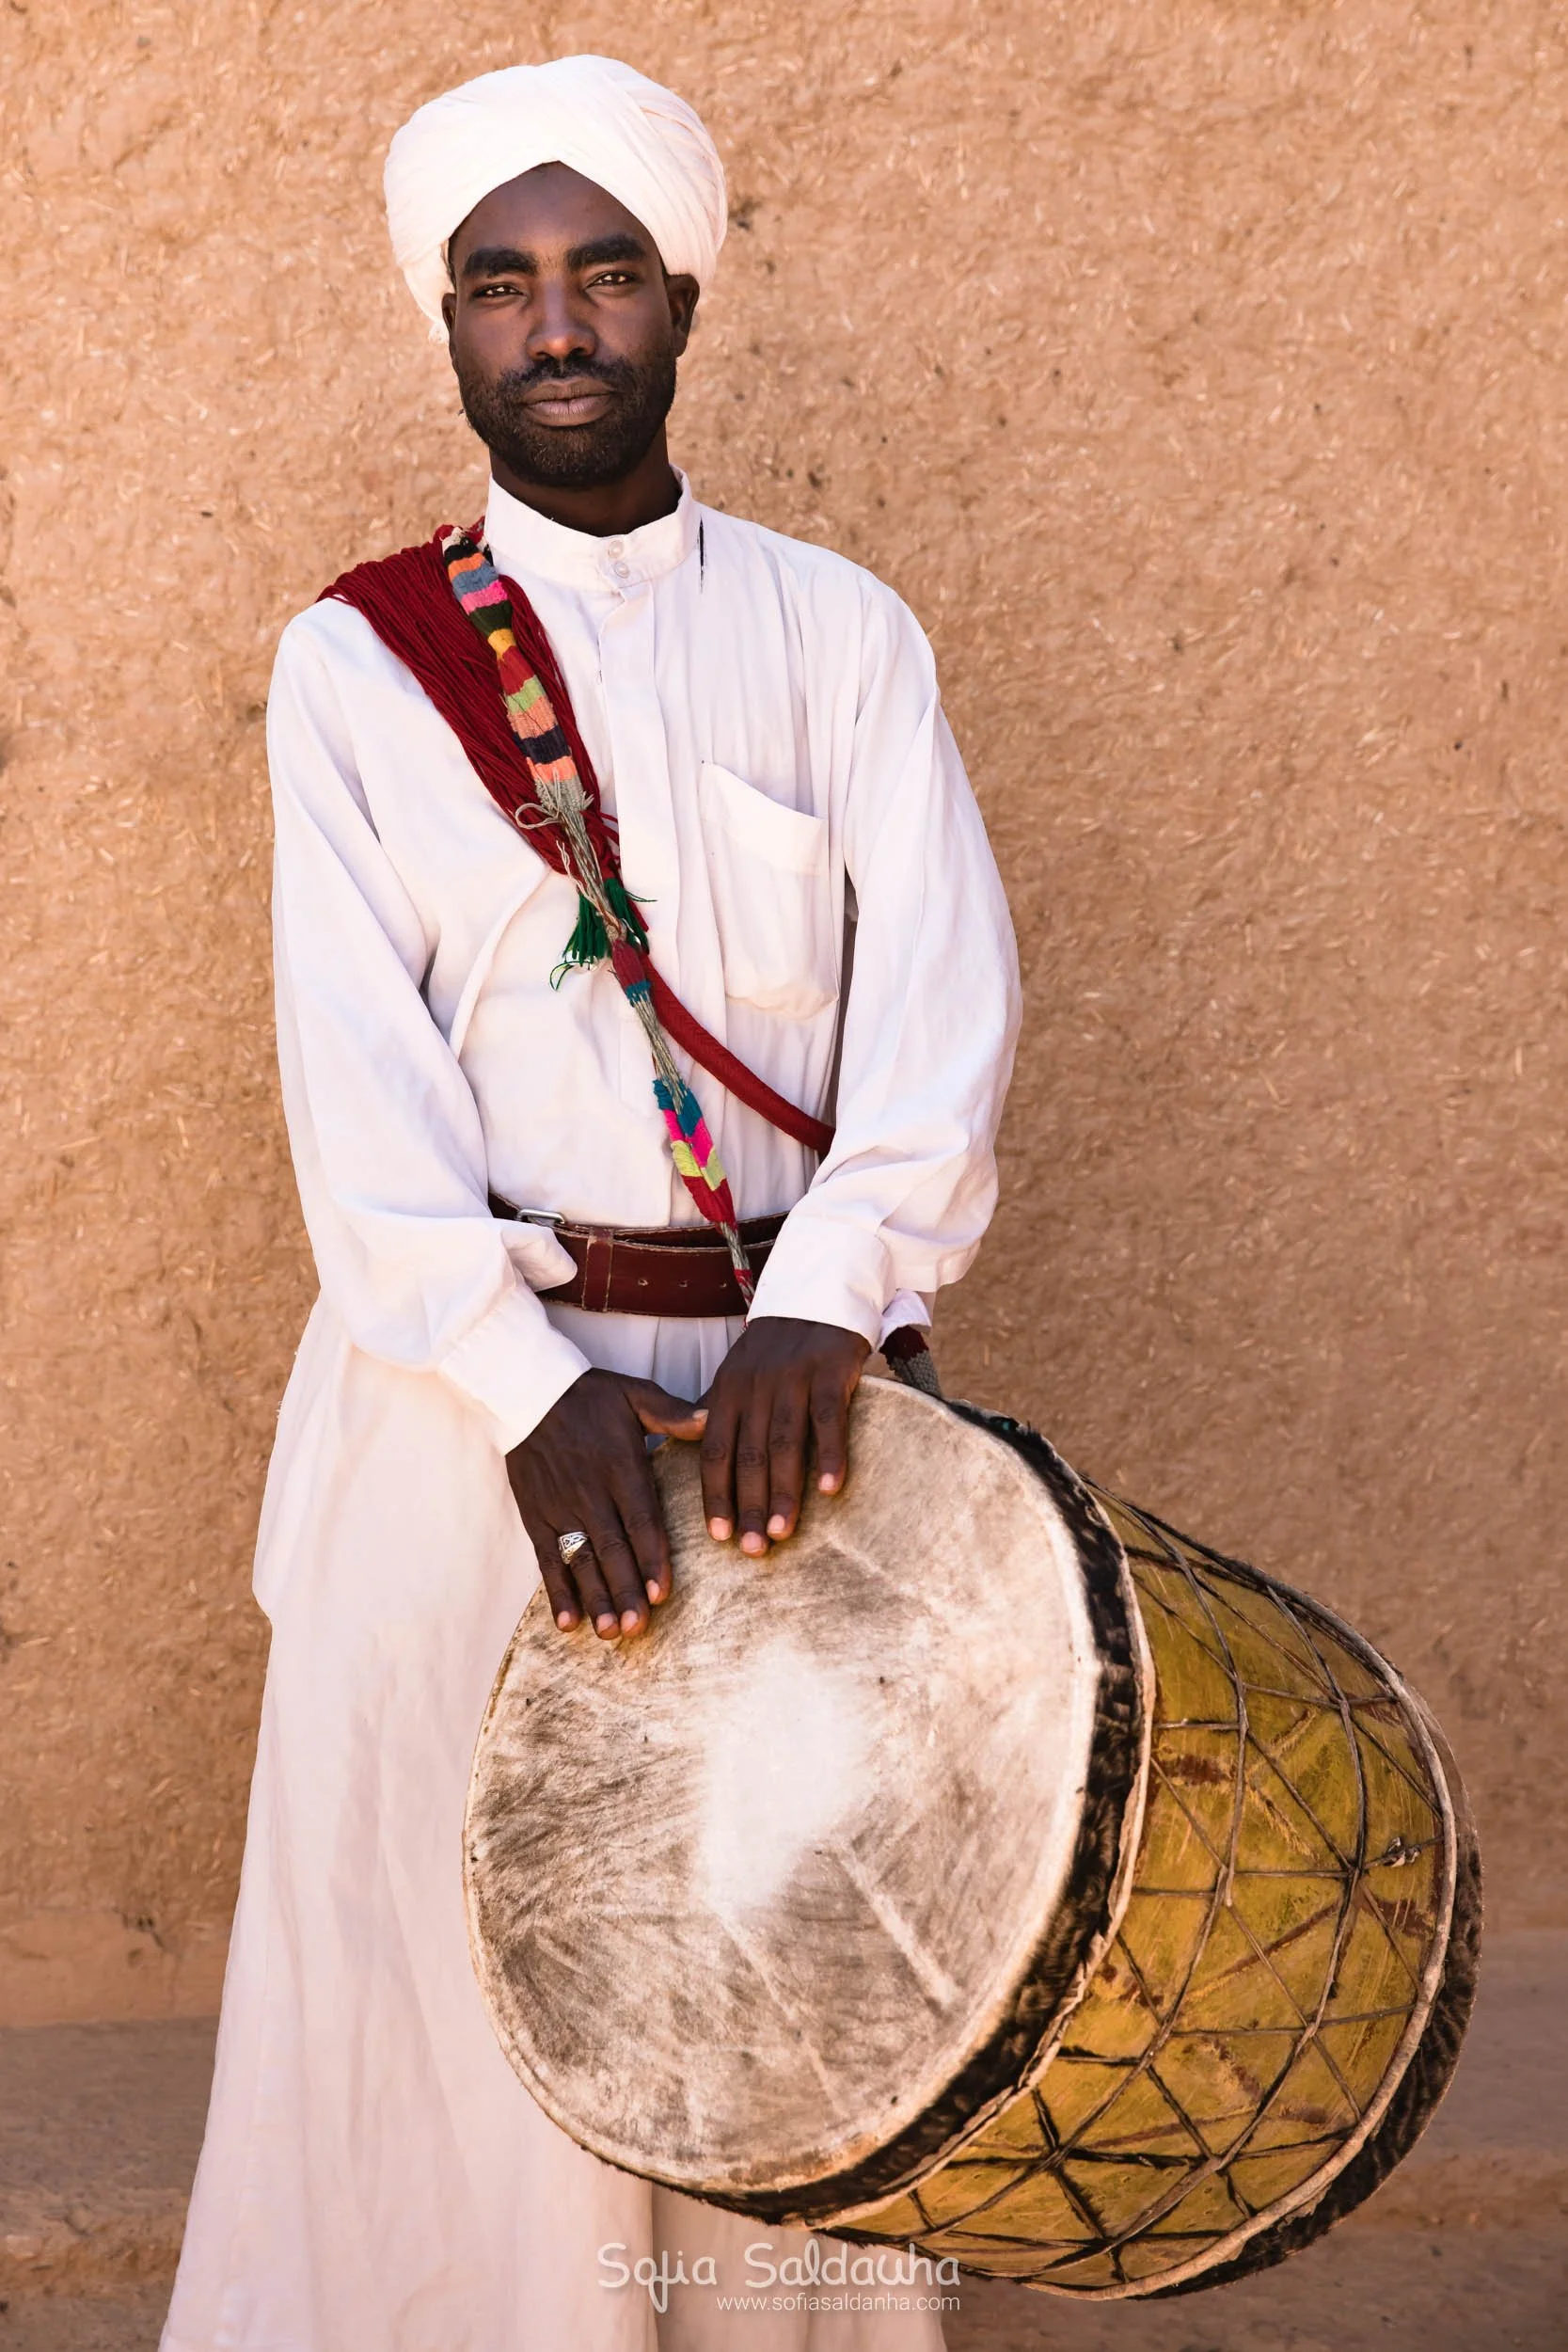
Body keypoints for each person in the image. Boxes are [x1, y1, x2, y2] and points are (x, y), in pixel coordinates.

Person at [162, 52, 1021, 2352]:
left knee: (775, 1981)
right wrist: (525, 1392)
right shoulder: (356, 666)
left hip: (785, 1422)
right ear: (446, 322)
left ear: (681, 302)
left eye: (603, 271)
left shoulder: (840, 633)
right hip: (464, 1432)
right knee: (456, 2015)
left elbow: (938, 1014)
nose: (554, 325)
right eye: (499, 283)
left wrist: (826, 1305)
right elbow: (354, 1085)